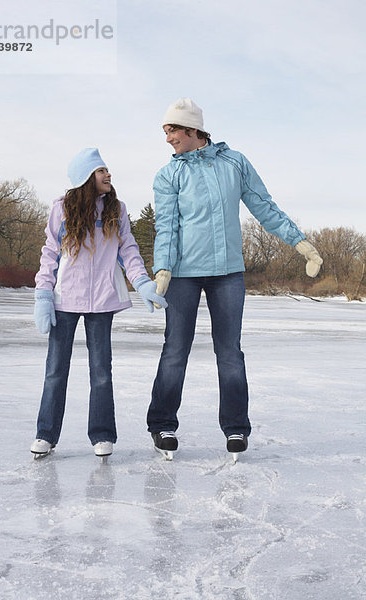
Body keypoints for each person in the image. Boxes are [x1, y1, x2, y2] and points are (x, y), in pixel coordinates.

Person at [147, 98, 323, 458]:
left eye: (172, 131)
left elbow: (264, 206)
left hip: (228, 273)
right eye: (165, 132)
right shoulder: (169, 175)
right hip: (181, 275)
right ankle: (162, 423)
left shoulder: (234, 163)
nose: (167, 139)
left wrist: (300, 242)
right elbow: (166, 225)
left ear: (192, 129)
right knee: (175, 350)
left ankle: (236, 429)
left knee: (229, 353)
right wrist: (162, 268)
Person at [31, 147, 167, 458]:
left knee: (101, 371)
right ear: (85, 177)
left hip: (102, 302)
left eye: (106, 170)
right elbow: (50, 253)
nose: (108, 174)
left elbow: (128, 251)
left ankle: (102, 435)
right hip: (65, 300)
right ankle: (46, 434)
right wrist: (42, 294)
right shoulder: (62, 209)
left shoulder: (115, 210)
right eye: (101, 170)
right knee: (55, 370)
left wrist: (143, 282)